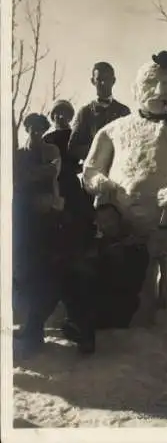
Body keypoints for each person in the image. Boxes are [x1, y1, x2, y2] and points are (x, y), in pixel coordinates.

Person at [82, 50, 167, 325]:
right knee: (134, 296)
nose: (159, 92)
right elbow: (90, 169)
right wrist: (101, 183)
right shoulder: (113, 130)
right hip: (130, 228)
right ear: (136, 89)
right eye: (151, 84)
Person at [62, 203, 150, 354]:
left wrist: (113, 258)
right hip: (97, 301)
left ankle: (84, 332)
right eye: (102, 221)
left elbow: (132, 281)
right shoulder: (98, 244)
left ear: (119, 220)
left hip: (120, 305)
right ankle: (82, 329)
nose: (107, 225)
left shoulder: (133, 245)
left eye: (110, 219)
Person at [13, 113, 65, 356]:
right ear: (26, 128)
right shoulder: (19, 153)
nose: (35, 132)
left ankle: (36, 328)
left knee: (42, 272)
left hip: (46, 219)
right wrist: (32, 175)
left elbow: (52, 172)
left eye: (40, 128)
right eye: (31, 128)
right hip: (22, 218)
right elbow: (16, 178)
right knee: (24, 273)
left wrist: (30, 175)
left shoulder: (51, 150)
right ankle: (27, 325)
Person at [68, 62, 130, 162]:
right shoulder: (85, 112)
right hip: (93, 171)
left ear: (113, 81)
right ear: (93, 81)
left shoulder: (123, 111)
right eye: (99, 79)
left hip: (118, 170)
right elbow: (73, 148)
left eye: (107, 79)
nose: (103, 83)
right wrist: (97, 149)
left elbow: (130, 143)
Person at [43, 99, 93, 221]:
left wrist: (81, 168)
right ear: (53, 117)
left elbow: (88, 156)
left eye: (64, 113)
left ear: (70, 117)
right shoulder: (47, 139)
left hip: (72, 183)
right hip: (53, 185)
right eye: (57, 113)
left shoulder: (76, 135)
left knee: (77, 216)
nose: (60, 116)